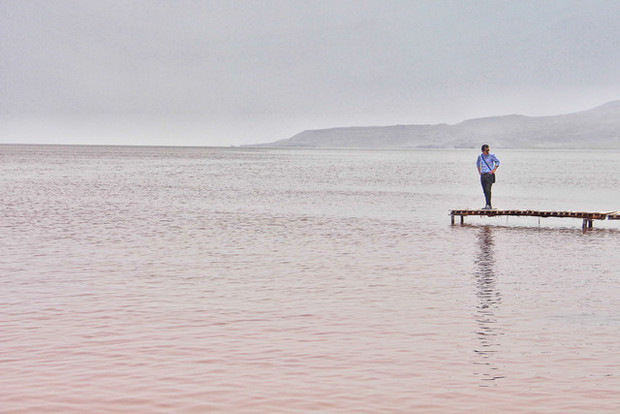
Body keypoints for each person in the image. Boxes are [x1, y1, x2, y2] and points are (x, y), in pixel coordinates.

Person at [476, 144, 500, 209]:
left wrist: (494, 170)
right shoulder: (480, 156)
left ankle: (489, 205)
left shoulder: (491, 155)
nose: (487, 152)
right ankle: (487, 204)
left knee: (488, 190)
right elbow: (478, 164)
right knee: (484, 190)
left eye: (488, 150)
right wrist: (479, 172)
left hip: (489, 175)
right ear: (482, 150)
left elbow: (497, 162)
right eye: (486, 150)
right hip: (483, 175)